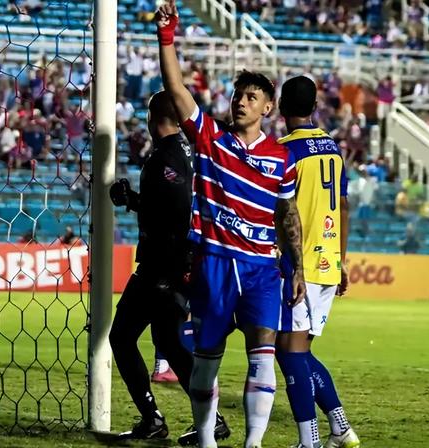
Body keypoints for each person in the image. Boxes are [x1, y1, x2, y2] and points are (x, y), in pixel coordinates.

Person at [156, 2, 307, 446]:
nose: (241, 102)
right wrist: (167, 37)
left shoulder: (282, 159)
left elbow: (288, 216)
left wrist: (295, 268)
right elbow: (177, 89)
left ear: (267, 108)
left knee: (263, 351)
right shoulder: (210, 138)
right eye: (239, 95)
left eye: (251, 97)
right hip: (216, 263)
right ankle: (205, 439)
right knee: (207, 360)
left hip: (262, 267)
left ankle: (253, 443)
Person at [108, 91, 230, 445]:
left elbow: (175, 211)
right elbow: (170, 206)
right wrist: (133, 202)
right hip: (180, 263)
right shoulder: (193, 150)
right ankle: (213, 421)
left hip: (163, 266)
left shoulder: (165, 156)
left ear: (152, 118)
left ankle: (152, 419)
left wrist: (177, 263)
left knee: (122, 336)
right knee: (170, 343)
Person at [275, 76, 360, 448]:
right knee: (297, 349)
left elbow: (282, 210)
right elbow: (342, 207)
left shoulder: (283, 150)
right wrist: (341, 260)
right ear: (313, 108)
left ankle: (308, 440)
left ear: (280, 108)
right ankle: (340, 428)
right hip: (327, 261)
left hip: (300, 263)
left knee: (290, 352)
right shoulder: (333, 149)